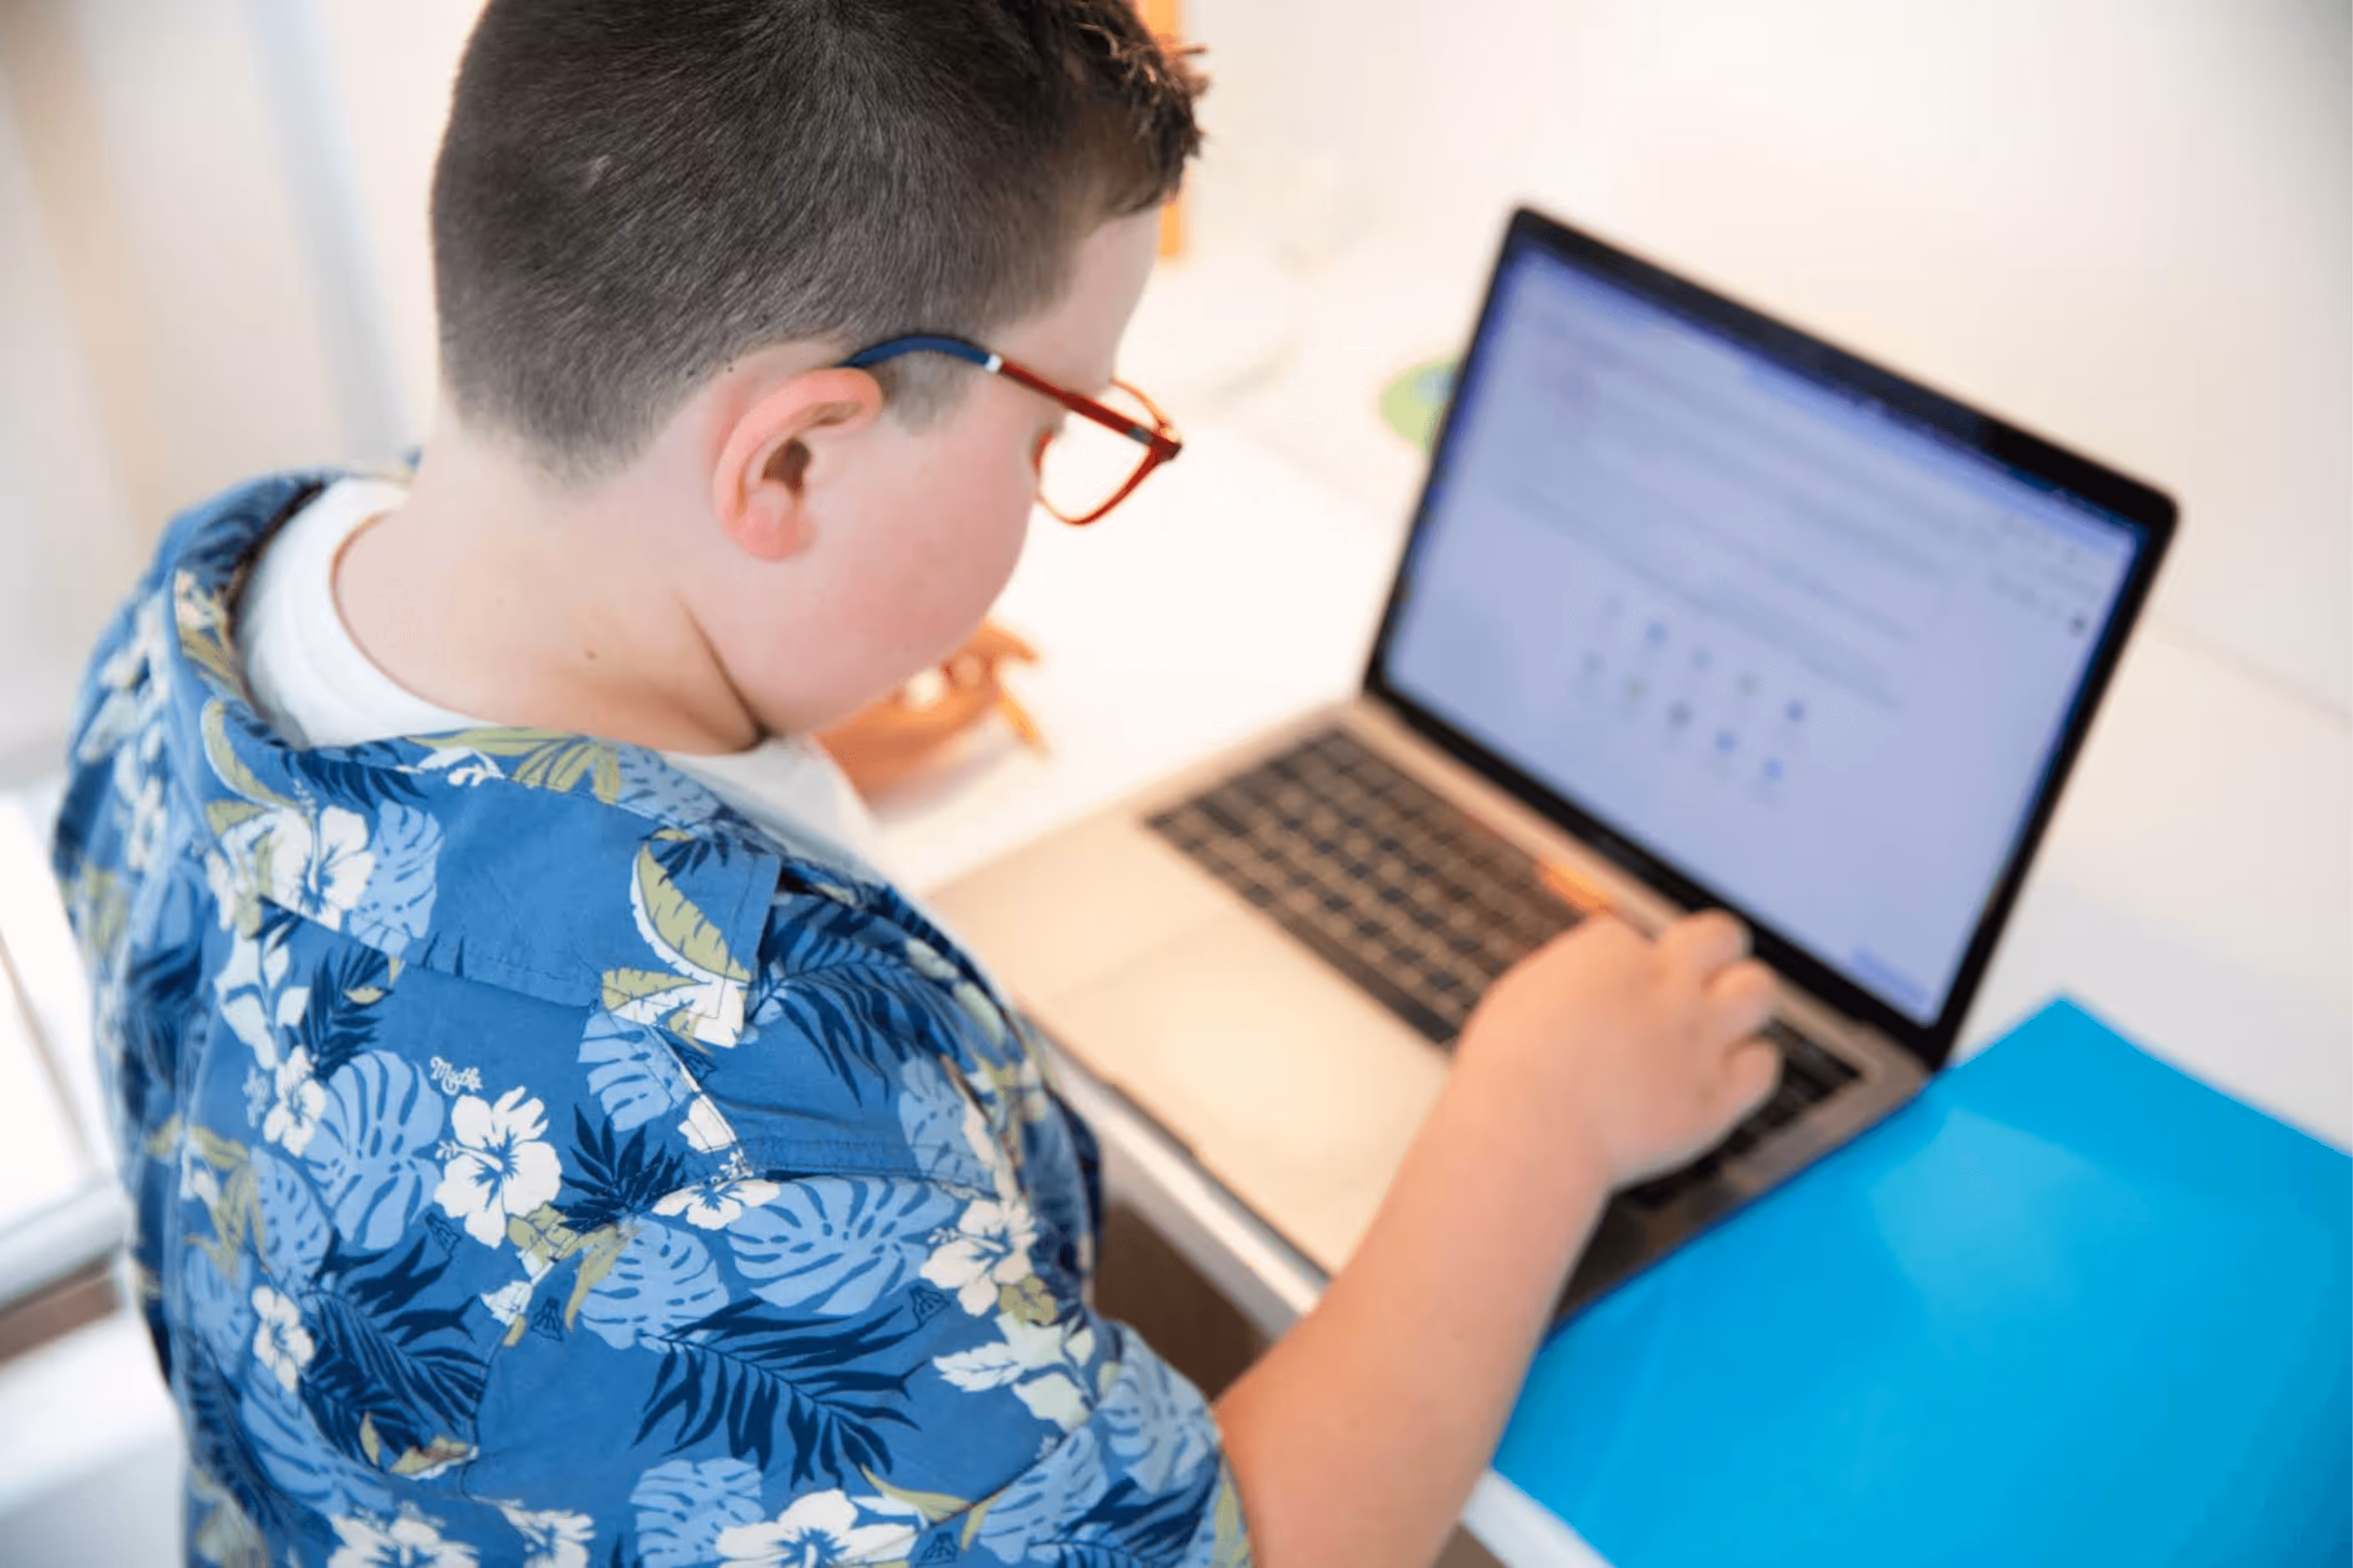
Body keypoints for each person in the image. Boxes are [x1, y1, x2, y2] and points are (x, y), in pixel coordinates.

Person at [49, 3, 1780, 1564]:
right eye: (1054, 432)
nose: (1047, 487)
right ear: (789, 456)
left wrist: (744, 732)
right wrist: (1536, 1120)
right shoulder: (748, 1114)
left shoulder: (211, 596)